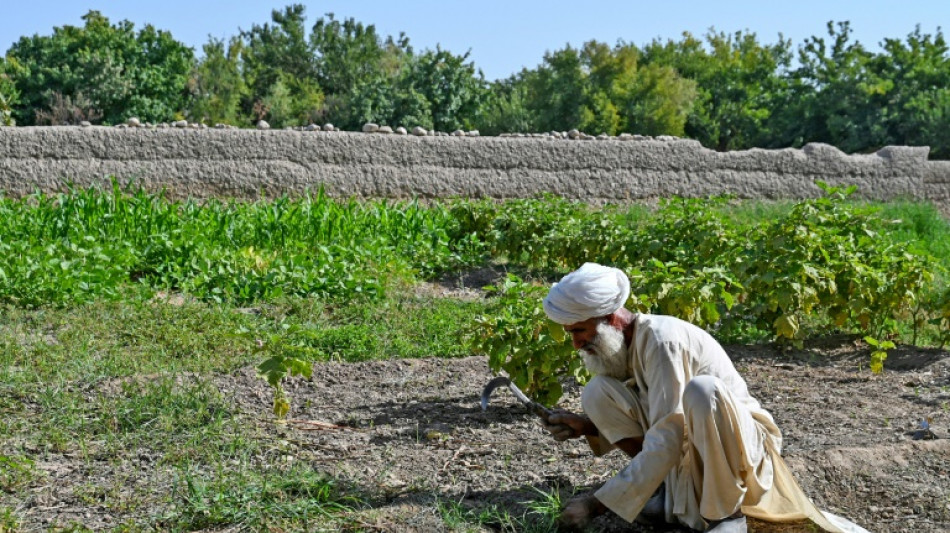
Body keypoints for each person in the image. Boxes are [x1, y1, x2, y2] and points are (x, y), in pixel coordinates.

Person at [540, 262, 870, 533]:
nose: (577, 344)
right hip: (689, 448)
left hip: (742, 454)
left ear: (611, 319)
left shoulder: (663, 341)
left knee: (703, 391)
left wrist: (594, 504)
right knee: (597, 392)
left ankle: (726, 515)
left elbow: (668, 434)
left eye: (580, 331)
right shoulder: (625, 347)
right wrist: (588, 427)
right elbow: (657, 420)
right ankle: (669, 490)